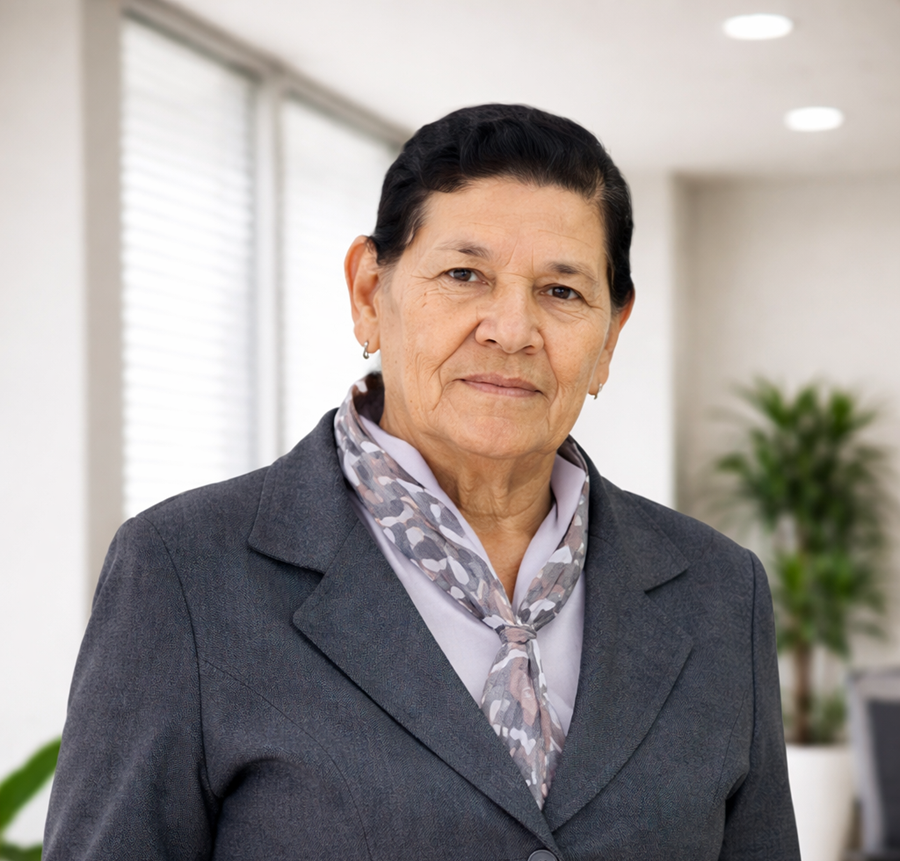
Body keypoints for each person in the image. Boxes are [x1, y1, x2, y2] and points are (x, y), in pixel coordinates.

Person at [44, 104, 800, 860]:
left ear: (610, 335)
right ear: (369, 292)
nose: (512, 329)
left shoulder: (720, 594)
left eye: (562, 291)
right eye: (464, 275)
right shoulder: (184, 574)